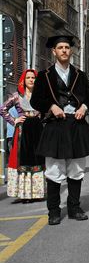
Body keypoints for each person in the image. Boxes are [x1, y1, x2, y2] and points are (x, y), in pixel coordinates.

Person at [30, 35, 89, 225]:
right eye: (60, 48)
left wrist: (84, 108)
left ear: (71, 51)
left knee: (76, 169)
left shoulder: (79, 74)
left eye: (67, 47)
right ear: (54, 51)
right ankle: (53, 211)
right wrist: (52, 106)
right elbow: (36, 100)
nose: (64, 50)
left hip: (76, 125)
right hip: (55, 126)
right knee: (54, 169)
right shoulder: (44, 76)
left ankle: (75, 207)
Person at [0, 69, 45, 202]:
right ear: (23, 80)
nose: (31, 80)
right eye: (28, 78)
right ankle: (25, 194)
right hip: (22, 131)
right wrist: (14, 121)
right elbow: (2, 109)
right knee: (23, 160)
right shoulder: (16, 95)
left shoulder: (40, 95)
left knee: (38, 159)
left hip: (37, 130)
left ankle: (37, 193)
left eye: (33, 78)